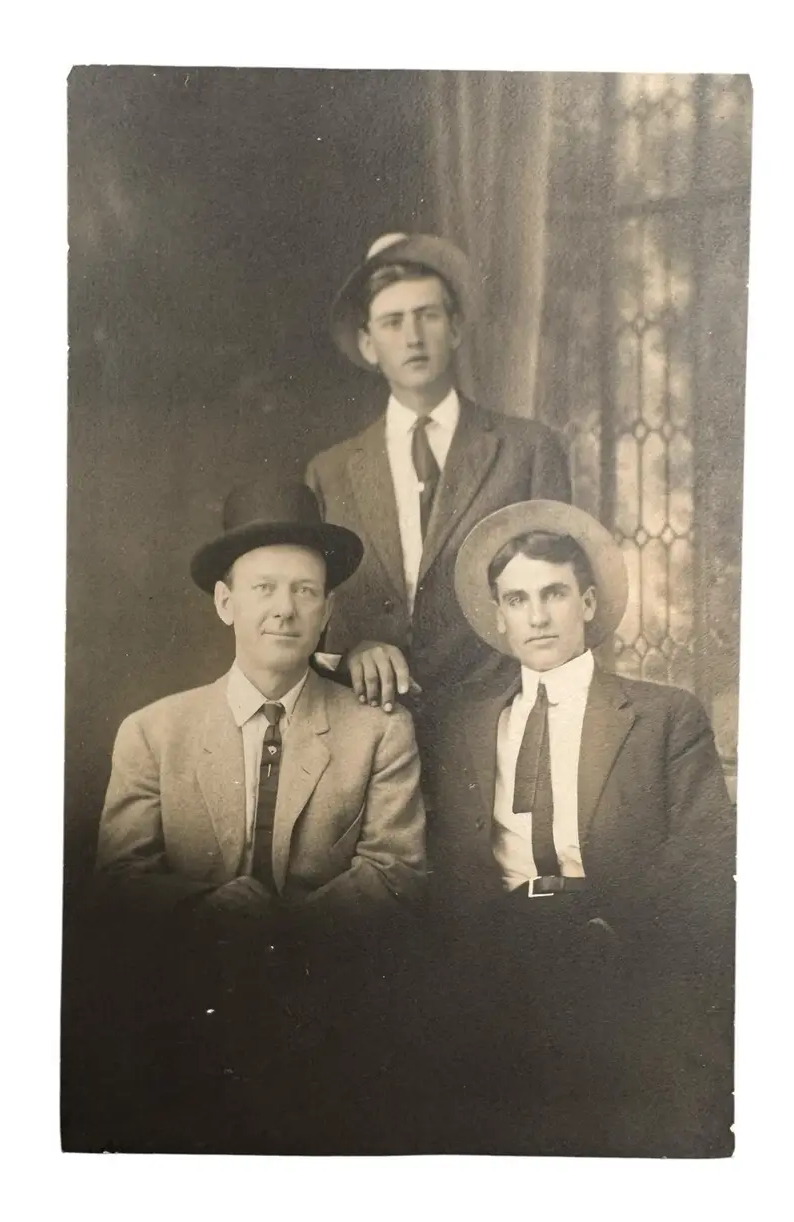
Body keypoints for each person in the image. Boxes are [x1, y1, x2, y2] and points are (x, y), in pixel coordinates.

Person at [90, 478, 427, 1152]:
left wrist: (284, 928)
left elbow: (397, 873)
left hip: (330, 1018)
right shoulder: (154, 732)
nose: (285, 609)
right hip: (181, 1018)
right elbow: (119, 882)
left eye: (305, 590)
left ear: (328, 609)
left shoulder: (378, 732)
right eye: (263, 588)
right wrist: (208, 909)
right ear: (225, 602)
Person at [421, 499, 735, 1157]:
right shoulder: (463, 723)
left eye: (554, 593)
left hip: (615, 953)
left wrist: (609, 930)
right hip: (493, 958)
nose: (537, 615)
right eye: (517, 599)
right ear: (499, 618)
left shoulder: (661, 717)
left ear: (588, 603)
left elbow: (704, 859)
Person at [305, 232, 572, 761]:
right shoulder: (329, 473)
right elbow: (312, 619)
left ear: (454, 328)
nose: (412, 337)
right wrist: (353, 649)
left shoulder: (526, 451)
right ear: (367, 344)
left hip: (499, 728)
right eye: (392, 322)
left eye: (427, 315)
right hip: (369, 733)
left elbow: (564, 601)